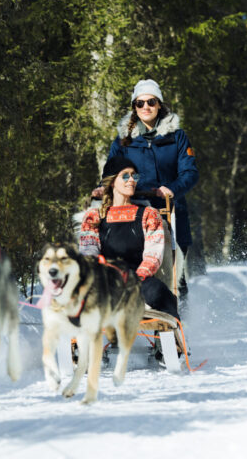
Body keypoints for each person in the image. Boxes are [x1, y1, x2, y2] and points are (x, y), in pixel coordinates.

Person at [93, 79, 199, 293]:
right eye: (140, 103)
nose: (146, 107)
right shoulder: (124, 139)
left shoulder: (177, 137)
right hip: (135, 212)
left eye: (151, 102)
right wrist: (102, 187)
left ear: (159, 104)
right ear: (134, 107)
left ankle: (180, 318)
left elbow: (190, 172)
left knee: (174, 272)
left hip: (170, 210)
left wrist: (172, 188)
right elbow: (111, 171)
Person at [79, 155, 179, 321]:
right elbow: (89, 253)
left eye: (134, 176)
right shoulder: (93, 217)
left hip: (141, 282)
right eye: (125, 176)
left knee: (160, 294)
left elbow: (153, 255)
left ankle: (173, 340)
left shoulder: (149, 214)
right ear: (112, 182)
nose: (131, 180)